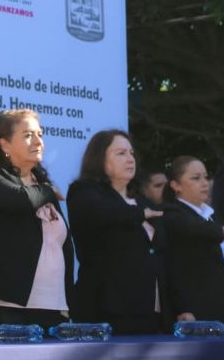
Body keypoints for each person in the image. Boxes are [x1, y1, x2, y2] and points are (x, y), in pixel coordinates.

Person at [0, 109, 73, 331]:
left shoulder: (41, 183)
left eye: (40, 134)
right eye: (28, 135)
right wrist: (47, 191)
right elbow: (21, 200)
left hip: (54, 307)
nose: (38, 141)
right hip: (8, 307)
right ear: (5, 145)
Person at [66, 129, 168, 334]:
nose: (130, 159)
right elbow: (104, 214)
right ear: (99, 159)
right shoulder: (84, 192)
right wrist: (141, 214)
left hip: (152, 309)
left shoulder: (141, 201)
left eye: (131, 153)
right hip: (107, 309)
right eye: (121, 153)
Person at [161, 156, 224, 323]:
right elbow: (174, 270)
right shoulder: (172, 214)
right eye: (196, 178)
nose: (205, 183)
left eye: (206, 177)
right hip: (196, 310)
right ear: (175, 185)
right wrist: (181, 308)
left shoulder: (212, 215)